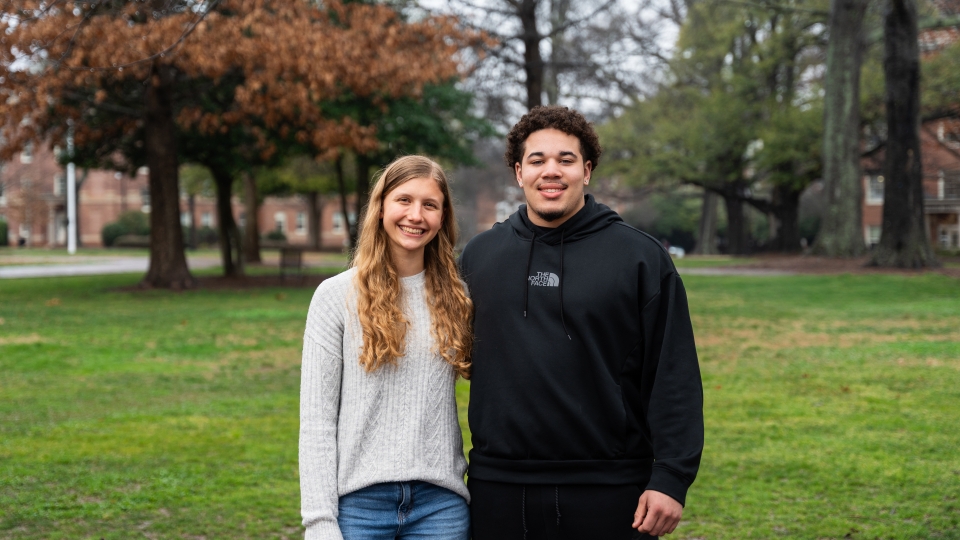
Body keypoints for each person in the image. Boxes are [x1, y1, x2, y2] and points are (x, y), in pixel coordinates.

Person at [460, 106, 704, 540]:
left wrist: (670, 477)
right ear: (519, 173)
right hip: (498, 489)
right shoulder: (480, 258)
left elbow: (674, 373)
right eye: (537, 160)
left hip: (609, 489)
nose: (550, 171)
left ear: (586, 171)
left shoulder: (640, 259)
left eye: (566, 160)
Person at [299, 155, 473, 540]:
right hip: (358, 506)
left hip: (440, 506)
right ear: (380, 208)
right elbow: (317, 422)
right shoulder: (335, 296)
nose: (416, 215)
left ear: (442, 218)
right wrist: (319, 521)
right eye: (404, 200)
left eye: (430, 205)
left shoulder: (459, 298)